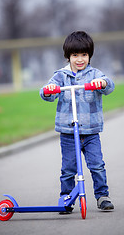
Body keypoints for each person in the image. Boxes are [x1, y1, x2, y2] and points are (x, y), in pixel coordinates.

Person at [40, 31, 115, 211]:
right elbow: (45, 94)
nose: (80, 59)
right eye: (75, 55)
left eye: (84, 55)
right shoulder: (60, 76)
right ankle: (66, 198)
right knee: (68, 169)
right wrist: (49, 89)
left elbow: (109, 84)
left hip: (90, 132)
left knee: (97, 165)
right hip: (68, 131)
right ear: (68, 56)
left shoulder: (95, 74)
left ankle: (102, 196)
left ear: (89, 56)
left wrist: (102, 83)